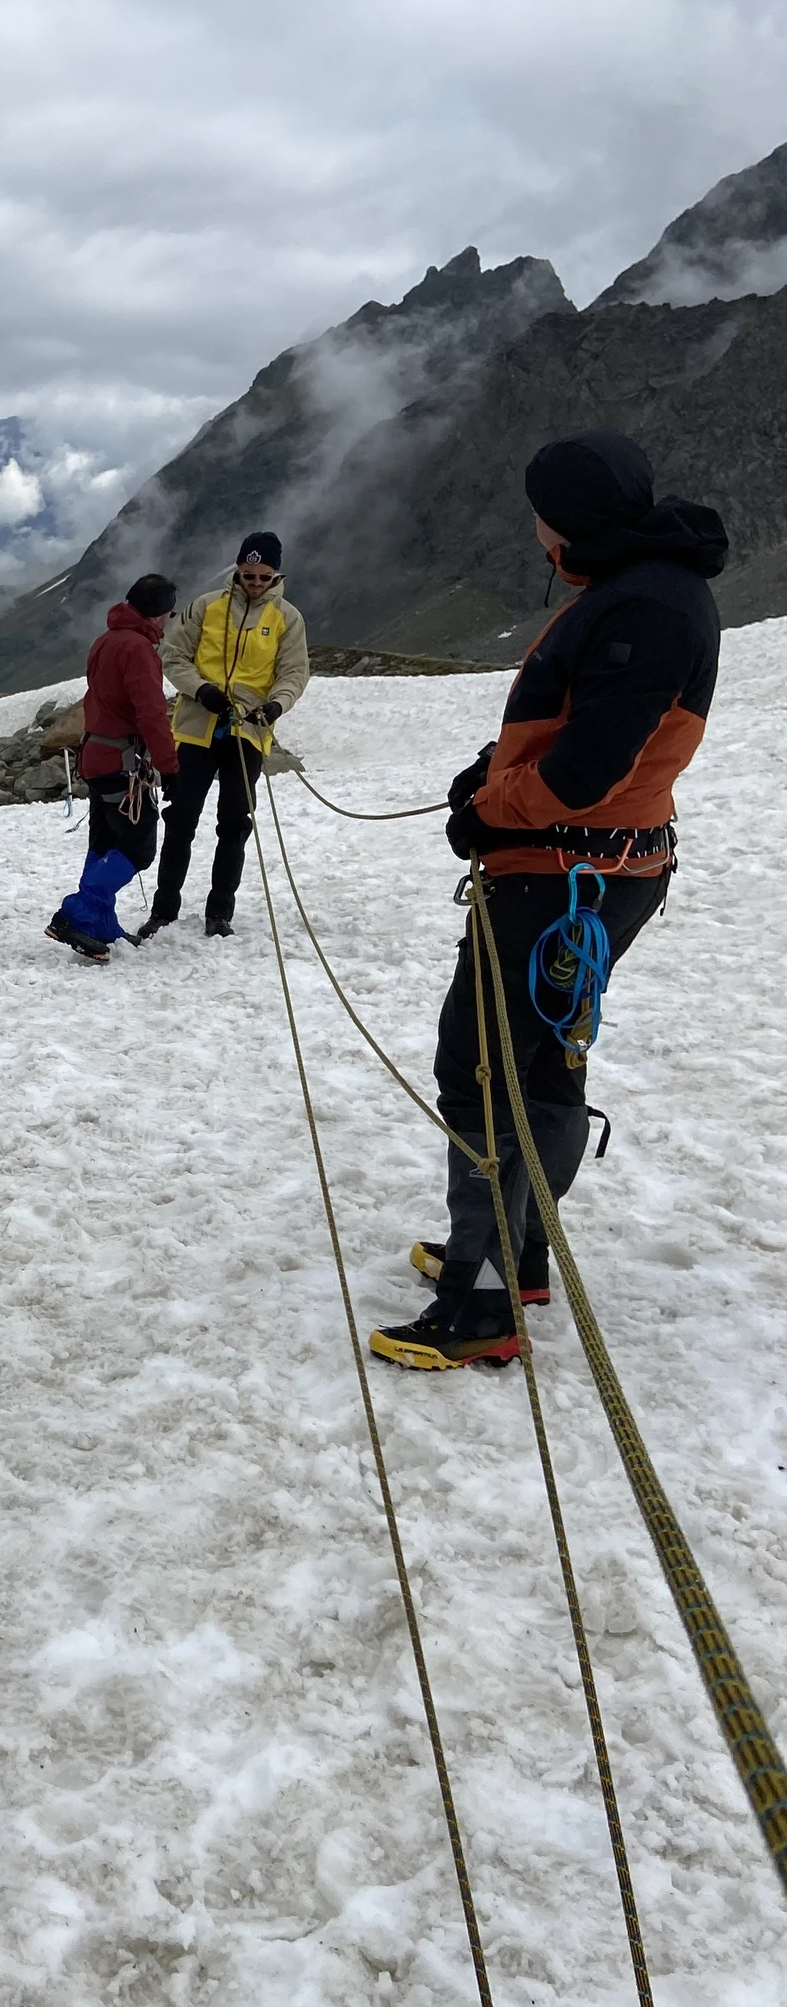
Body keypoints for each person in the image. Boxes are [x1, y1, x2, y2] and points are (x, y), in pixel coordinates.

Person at [374, 431, 727, 1370]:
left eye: (539, 514)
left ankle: (483, 1302)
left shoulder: (640, 605)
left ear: (564, 517)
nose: (535, 534)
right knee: (541, 1061)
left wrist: (487, 812)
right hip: (603, 871)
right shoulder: (649, 588)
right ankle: (513, 1253)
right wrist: (487, 777)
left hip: (559, 875)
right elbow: (577, 732)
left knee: (483, 1067)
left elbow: (582, 773)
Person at [143, 531, 309, 937]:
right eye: (248, 575)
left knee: (234, 822)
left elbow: (293, 673)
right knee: (181, 819)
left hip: (249, 731)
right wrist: (200, 689)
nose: (255, 583)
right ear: (238, 569)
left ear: (275, 575)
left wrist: (276, 705)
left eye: (263, 577)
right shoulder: (206, 607)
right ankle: (164, 910)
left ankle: (220, 914)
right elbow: (174, 656)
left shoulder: (287, 618)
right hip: (198, 724)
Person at [46, 576, 180, 961]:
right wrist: (169, 766)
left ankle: (101, 922)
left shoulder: (106, 640)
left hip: (97, 755)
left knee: (105, 840)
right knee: (138, 847)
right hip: (122, 762)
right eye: (169, 613)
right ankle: (78, 912)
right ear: (160, 613)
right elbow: (150, 713)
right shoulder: (139, 649)